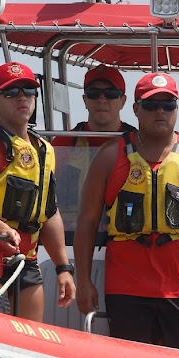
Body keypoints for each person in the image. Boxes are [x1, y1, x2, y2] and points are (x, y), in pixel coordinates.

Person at [74, 72, 179, 352]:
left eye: (168, 104)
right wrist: (84, 281)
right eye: (150, 105)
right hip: (127, 289)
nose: (160, 111)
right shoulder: (111, 157)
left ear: (176, 108)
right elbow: (86, 222)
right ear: (136, 109)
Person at [0, 61, 76, 322]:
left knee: (30, 336)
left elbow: (49, 212)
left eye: (29, 91)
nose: (22, 97)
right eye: (11, 92)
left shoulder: (45, 149)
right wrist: (1, 229)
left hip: (25, 259)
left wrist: (63, 268)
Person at [51, 65, 136, 232]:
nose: (102, 100)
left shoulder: (139, 143)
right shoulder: (64, 143)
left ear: (123, 101)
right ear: (85, 100)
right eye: (94, 94)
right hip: (71, 237)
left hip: (126, 237)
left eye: (111, 94)